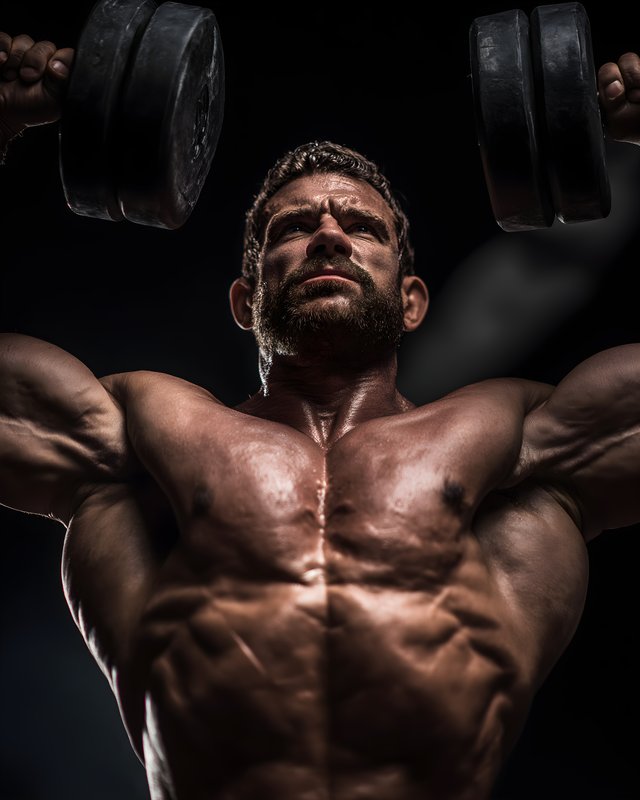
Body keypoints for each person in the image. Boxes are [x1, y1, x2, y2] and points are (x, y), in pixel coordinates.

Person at [1, 30, 640, 800]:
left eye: (361, 228)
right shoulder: (138, 433)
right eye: (293, 229)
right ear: (246, 302)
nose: (329, 236)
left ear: (412, 301)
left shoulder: (523, 441)